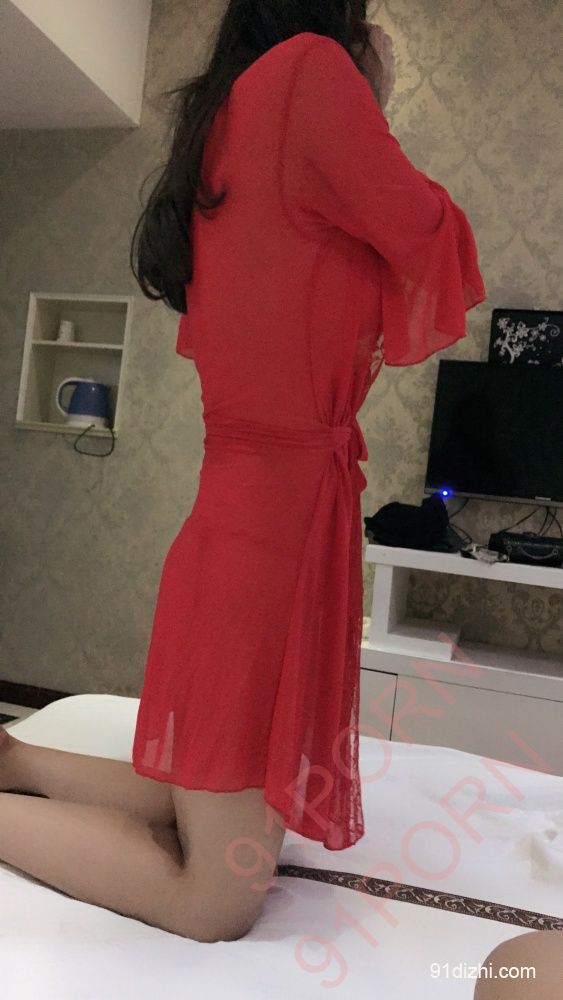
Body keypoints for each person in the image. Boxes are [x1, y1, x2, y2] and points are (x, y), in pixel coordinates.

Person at [0, 2, 485, 943]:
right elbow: (430, 231)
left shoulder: (236, 106)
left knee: (206, 796)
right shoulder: (308, 74)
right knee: (214, 900)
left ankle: (14, 761)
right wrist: (371, 91)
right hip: (269, 534)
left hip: (248, 520)